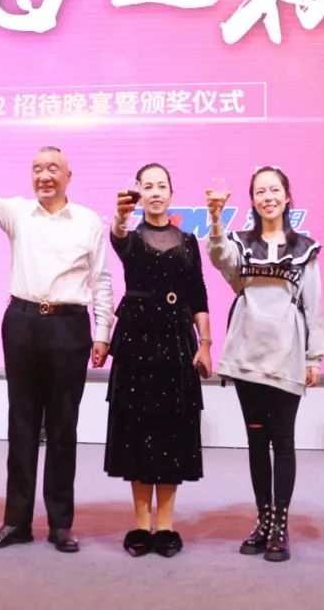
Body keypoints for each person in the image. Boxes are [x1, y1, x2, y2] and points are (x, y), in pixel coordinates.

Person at [0, 144, 112, 554]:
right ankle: (16, 522)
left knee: (62, 427)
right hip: (22, 323)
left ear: (68, 176)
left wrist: (102, 332)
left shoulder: (88, 221)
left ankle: (61, 524)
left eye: (53, 168)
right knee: (21, 424)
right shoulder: (19, 213)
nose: (44, 175)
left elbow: (102, 280)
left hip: (69, 326)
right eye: (37, 168)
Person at [206, 165, 324, 563]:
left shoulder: (305, 247)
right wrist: (216, 220)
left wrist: (315, 356)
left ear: (287, 197)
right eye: (260, 191)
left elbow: (315, 305)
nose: (268, 197)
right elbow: (221, 261)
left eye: (274, 190)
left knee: (283, 441)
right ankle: (263, 521)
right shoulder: (240, 242)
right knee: (257, 441)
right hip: (247, 353)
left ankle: (280, 526)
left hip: (287, 353)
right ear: (253, 200)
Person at [106, 163, 212, 558]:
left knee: (171, 431)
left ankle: (165, 525)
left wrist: (206, 343)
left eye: (161, 186)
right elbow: (117, 236)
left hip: (177, 342)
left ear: (171, 193)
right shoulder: (130, 237)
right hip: (136, 342)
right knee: (137, 429)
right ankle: (140, 524)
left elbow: (198, 294)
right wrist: (120, 217)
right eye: (147, 186)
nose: (154, 192)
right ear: (139, 192)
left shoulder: (188, 241)